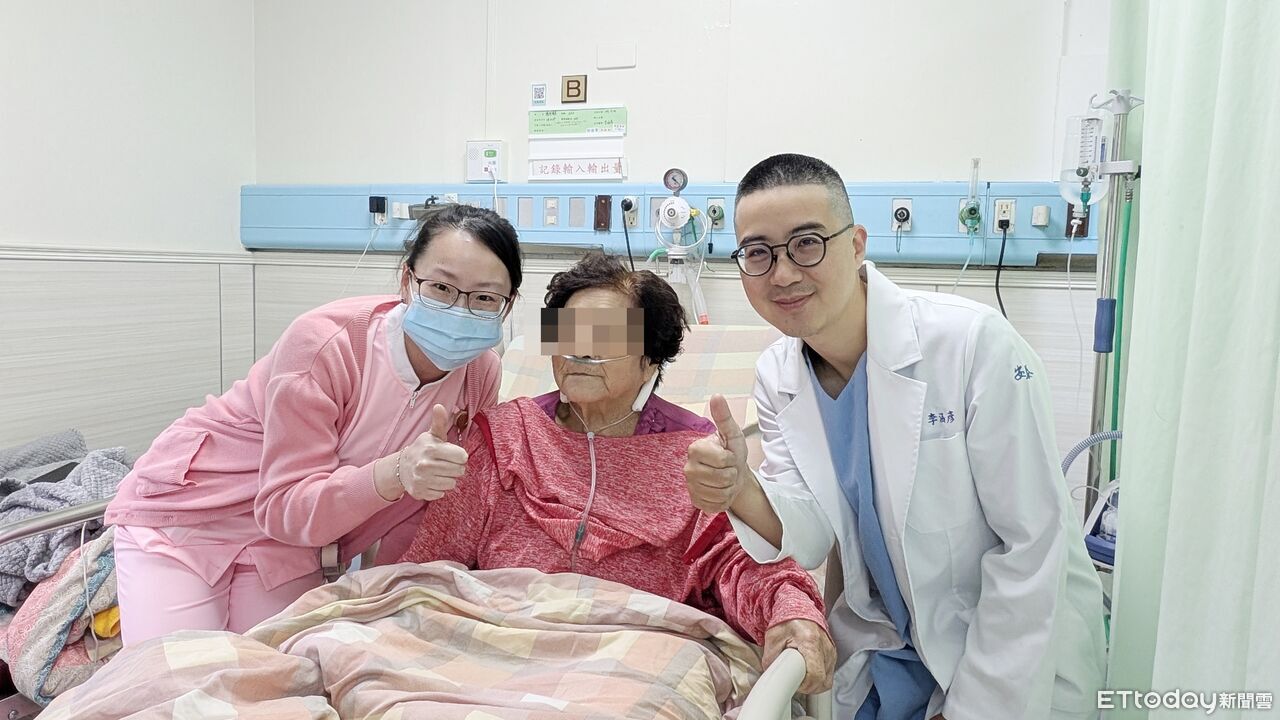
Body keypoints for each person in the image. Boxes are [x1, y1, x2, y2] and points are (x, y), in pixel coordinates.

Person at [684, 154, 1107, 719]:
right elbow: (810, 533)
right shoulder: (778, 376)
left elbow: (1031, 548)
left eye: (807, 243)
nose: (782, 274)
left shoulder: (972, 345)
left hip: (1007, 657)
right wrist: (740, 488)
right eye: (758, 253)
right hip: (887, 652)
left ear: (856, 244)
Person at [401, 253, 837, 694]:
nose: (581, 350)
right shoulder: (504, 437)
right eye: (568, 332)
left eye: (605, 337)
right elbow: (430, 566)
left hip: (632, 662)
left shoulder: (698, 457)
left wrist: (793, 613)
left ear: (650, 359)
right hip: (496, 645)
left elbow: (746, 567)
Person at [106, 204, 523, 645]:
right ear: (407, 280)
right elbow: (285, 506)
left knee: (282, 666)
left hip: (292, 545)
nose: (460, 311)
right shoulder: (327, 344)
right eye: (440, 287)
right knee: (175, 674)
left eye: (484, 298)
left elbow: (422, 507)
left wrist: (387, 606)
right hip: (192, 515)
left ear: (508, 304)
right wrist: (395, 472)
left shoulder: (481, 374)